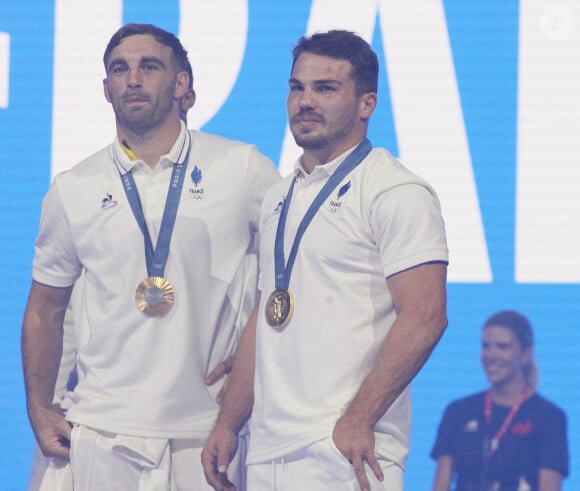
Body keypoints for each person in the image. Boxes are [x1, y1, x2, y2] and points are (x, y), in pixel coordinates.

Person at [22, 22, 280, 490]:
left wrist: (250, 356)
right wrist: (39, 408)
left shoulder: (241, 169)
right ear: (106, 88)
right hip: (100, 429)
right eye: (120, 69)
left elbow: (292, 271)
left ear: (182, 83)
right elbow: (44, 309)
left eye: (149, 67)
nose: (133, 79)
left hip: (206, 432)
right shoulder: (73, 188)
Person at [201, 29, 449, 491]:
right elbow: (268, 312)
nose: (304, 101)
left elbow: (426, 316)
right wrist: (229, 424)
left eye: (325, 88)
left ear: (366, 104)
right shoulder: (279, 196)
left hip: (347, 449)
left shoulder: (395, 190)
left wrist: (358, 419)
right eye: (297, 88)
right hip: (269, 450)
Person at [430, 310, 569, 491]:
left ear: (526, 353)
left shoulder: (549, 417)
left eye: (502, 347)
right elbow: (441, 484)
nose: (491, 355)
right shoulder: (458, 411)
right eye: (486, 346)